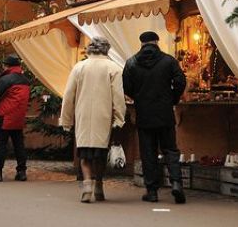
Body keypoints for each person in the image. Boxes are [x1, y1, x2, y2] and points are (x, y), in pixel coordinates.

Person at [123, 31, 187, 204]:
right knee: (170, 150)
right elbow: (180, 81)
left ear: (142, 43)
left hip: (144, 114)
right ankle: (176, 184)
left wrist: (139, 97)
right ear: (156, 42)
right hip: (165, 113)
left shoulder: (131, 63)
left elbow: (126, 87)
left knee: (148, 153)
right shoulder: (169, 60)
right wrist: (172, 98)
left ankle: (152, 192)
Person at [60, 37, 126, 203]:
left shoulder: (79, 67)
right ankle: (98, 185)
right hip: (103, 116)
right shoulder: (113, 68)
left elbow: (68, 95)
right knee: (100, 154)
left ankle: (87, 184)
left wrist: (66, 119)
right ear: (106, 50)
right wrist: (119, 118)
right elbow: (118, 97)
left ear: (89, 50)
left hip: (83, 115)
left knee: (85, 153)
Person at [0, 54, 30, 182]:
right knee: (18, 144)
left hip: (5, 115)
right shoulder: (25, 80)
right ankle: (22, 171)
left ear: (7, 66)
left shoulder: (6, 79)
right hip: (19, 116)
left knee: (0, 144)